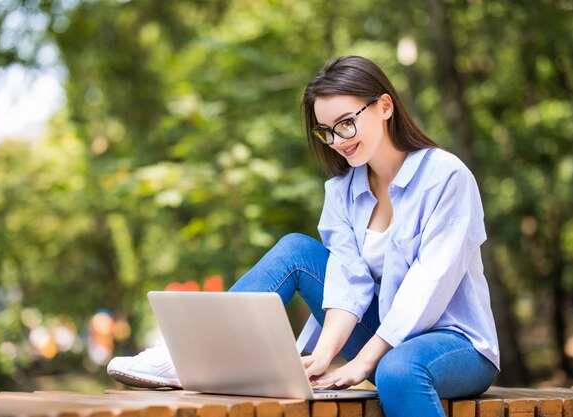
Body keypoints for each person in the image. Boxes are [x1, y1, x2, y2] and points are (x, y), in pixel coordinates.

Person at [107, 55, 500, 417]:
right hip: (378, 335)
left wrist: (364, 361)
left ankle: (195, 355)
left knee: (397, 370)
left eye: (346, 122)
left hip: (455, 343)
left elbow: (429, 284)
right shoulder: (342, 190)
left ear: (384, 106)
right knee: (296, 249)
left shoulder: (446, 176)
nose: (339, 139)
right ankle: (190, 354)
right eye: (326, 131)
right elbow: (348, 280)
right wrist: (324, 354)